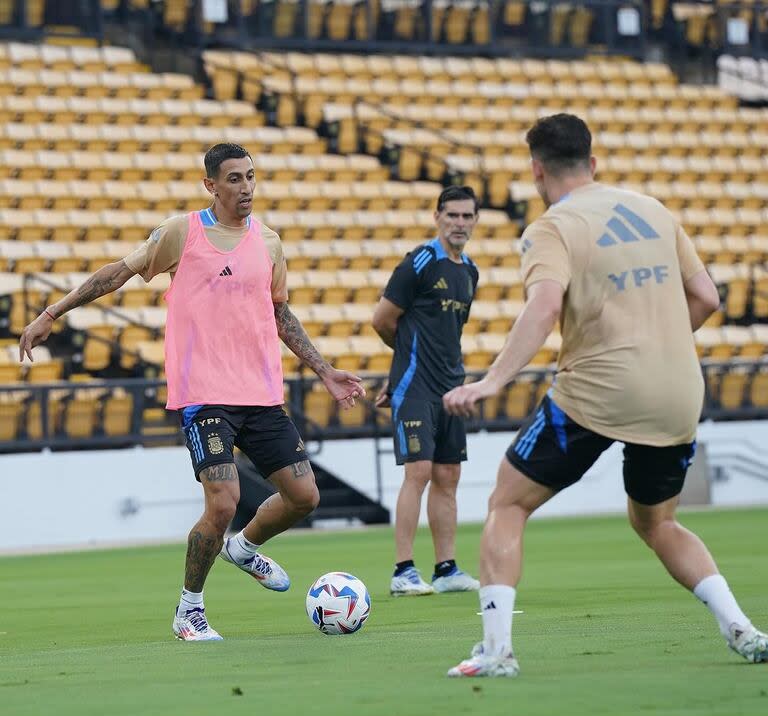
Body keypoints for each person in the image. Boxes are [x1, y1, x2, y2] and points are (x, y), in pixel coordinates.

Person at [442, 113, 768, 676]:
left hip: (596, 390)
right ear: (593, 163)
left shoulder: (552, 227)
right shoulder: (654, 210)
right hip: (678, 389)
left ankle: (497, 651)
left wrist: (493, 380)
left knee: (508, 502)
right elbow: (708, 298)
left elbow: (543, 307)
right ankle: (741, 626)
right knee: (658, 522)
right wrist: (654, 341)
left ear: (537, 171)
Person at [19, 143, 365, 641]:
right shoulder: (184, 232)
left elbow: (280, 312)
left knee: (304, 496)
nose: (245, 188)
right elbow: (116, 273)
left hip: (260, 393)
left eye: (250, 177)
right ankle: (190, 610)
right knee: (223, 502)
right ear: (211, 185)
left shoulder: (268, 241)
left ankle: (243, 549)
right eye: (233, 179)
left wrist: (324, 369)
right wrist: (53, 314)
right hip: (205, 394)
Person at [372, 186, 481, 596]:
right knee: (417, 473)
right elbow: (382, 320)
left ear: (475, 221)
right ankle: (403, 571)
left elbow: (449, 333)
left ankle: (446, 568)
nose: (459, 223)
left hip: (452, 388)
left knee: (448, 475)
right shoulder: (419, 262)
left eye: (467, 216)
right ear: (437, 217)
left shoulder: (469, 271)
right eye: (451, 215)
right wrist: (401, 369)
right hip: (415, 386)